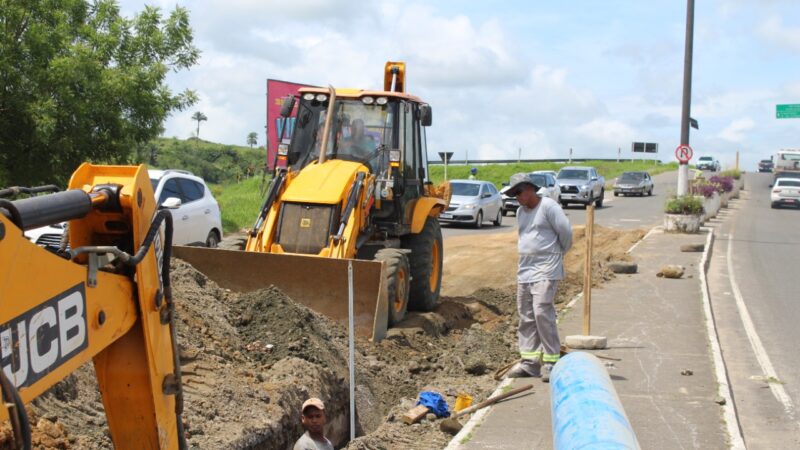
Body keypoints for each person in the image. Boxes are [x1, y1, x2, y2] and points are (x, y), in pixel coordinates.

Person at [504, 173, 572, 382]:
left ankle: (552, 362)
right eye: (514, 194)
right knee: (526, 316)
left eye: (520, 192)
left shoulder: (549, 207)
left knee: (542, 311)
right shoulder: (520, 212)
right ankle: (530, 364)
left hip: (546, 267)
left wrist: (556, 255)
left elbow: (566, 234)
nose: (517, 197)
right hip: (525, 269)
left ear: (531, 189)